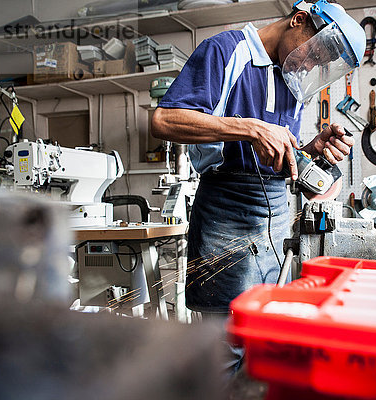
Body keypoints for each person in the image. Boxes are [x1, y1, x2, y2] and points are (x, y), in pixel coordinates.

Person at [151, 0, 364, 371]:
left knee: (266, 342)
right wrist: (249, 127)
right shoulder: (226, 50)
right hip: (226, 211)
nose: (311, 66)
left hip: (276, 217)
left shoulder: (292, 78)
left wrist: (310, 151)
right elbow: (165, 120)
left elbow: (278, 155)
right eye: (315, 54)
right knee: (226, 346)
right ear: (298, 21)